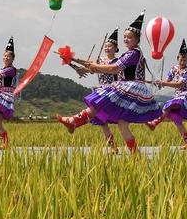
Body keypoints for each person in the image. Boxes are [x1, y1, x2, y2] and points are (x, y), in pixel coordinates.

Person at [56, 12, 162, 153]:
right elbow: (105, 68)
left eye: (129, 37)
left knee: (100, 101)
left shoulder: (133, 53)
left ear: (137, 40)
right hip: (130, 86)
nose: (126, 39)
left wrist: (95, 66)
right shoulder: (132, 53)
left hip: (130, 86)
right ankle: (136, 156)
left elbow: (114, 68)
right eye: (125, 37)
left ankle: (74, 121)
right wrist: (85, 66)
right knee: (122, 124)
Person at [146, 39, 187, 149]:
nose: (182, 62)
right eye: (180, 59)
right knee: (177, 121)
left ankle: (155, 122)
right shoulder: (173, 69)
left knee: (169, 104)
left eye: (184, 60)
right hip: (178, 95)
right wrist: (159, 83)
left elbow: (179, 84)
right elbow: (167, 81)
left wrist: (164, 83)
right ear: (177, 59)